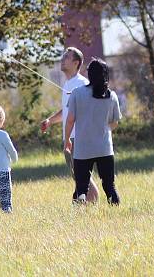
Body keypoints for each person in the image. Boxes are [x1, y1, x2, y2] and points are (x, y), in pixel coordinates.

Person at [40, 47, 100, 203]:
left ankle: (92, 203)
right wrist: (50, 121)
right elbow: (67, 111)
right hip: (70, 137)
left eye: (66, 57)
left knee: (82, 176)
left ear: (76, 63)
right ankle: (85, 206)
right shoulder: (68, 84)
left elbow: (90, 110)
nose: (62, 59)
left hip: (78, 138)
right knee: (78, 176)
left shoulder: (82, 83)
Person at [64, 58, 122, 205]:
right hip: (105, 149)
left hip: (83, 150)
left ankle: (79, 212)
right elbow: (114, 123)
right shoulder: (112, 95)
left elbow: (70, 120)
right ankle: (115, 210)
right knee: (109, 186)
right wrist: (103, 130)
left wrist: (67, 140)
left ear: (89, 74)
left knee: (81, 187)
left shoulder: (77, 93)